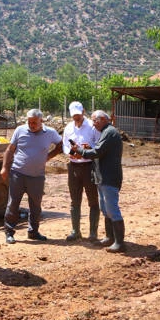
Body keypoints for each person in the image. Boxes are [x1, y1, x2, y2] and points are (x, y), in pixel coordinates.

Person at [1, 108, 63, 243]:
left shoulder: (50, 133)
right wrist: (5, 167)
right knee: (13, 204)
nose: (31, 125)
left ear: (41, 121)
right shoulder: (20, 130)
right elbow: (10, 150)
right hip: (18, 174)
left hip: (37, 176)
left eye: (34, 122)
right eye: (29, 122)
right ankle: (9, 232)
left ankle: (33, 232)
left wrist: (48, 157)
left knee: (35, 205)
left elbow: (61, 145)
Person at [70, 110, 125, 252]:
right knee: (106, 209)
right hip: (102, 177)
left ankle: (119, 243)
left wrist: (80, 150)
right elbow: (99, 150)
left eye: (95, 121)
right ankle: (110, 238)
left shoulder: (110, 132)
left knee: (112, 209)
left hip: (109, 177)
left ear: (102, 119)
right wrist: (89, 149)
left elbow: (97, 152)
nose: (93, 124)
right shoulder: (106, 132)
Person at [62, 101, 100, 242]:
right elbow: (65, 145)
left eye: (78, 115)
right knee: (74, 200)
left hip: (89, 166)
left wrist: (86, 149)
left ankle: (93, 232)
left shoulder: (92, 126)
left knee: (93, 200)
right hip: (73, 167)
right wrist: (70, 153)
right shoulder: (68, 128)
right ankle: (75, 231)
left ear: (83, 112)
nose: (76, 118)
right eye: (74, 116)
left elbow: (98, 144)